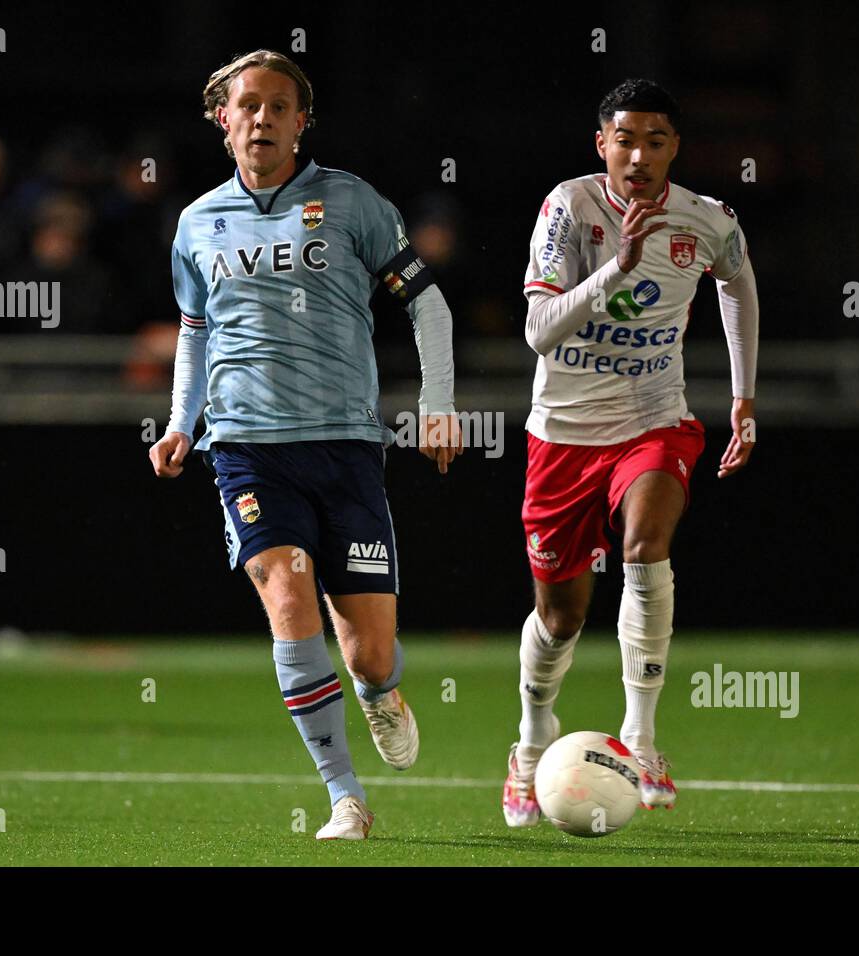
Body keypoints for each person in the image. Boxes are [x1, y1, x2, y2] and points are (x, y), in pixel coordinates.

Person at [148, 50, 460, 841]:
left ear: (301, 121)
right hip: (247, 447)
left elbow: (429, 308)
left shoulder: (352, 203)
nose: (262, 118)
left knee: (369, 654)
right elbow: (195, 332)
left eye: (278, 106)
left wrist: (439, 407)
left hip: (346, 446)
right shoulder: (196, 223)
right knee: (286, 590)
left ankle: (381, 693)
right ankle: (344, 796)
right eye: (247, 106)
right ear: (224, 120)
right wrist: (182, 421)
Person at [503, 78, 760, 826]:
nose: (639, 155)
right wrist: (619, 264)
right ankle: (529, 743)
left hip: (654, 422)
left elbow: (738, 281)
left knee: (648, 546)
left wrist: (744, 393)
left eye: (655, 140)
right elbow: (538, 330)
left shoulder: (707, 220)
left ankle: (642, 739)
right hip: (562, 436)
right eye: (625, 139)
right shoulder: (568, 207)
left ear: (675, 147)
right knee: (561, 617)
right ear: (601, 145)